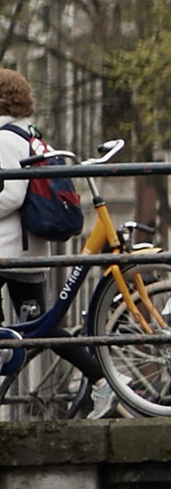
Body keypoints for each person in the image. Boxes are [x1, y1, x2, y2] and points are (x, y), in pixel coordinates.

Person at [0, 68, 96, 411]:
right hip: (31, 250)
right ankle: (101, 378)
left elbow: (10, 195)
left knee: (31, 328)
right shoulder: (31, 135)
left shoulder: (3, 139)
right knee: (45, 327)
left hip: (7, 250)